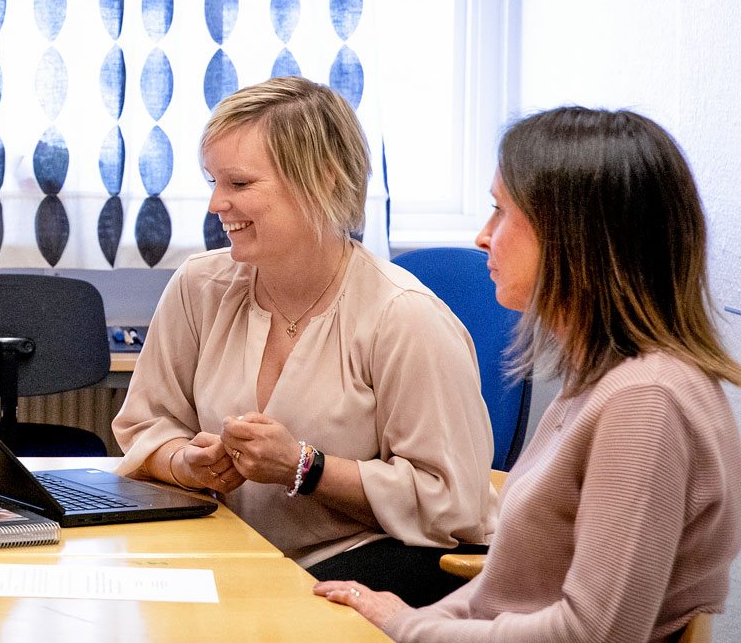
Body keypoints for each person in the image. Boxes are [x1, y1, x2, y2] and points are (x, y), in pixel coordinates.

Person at [317, 107, 741, 640]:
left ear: (576, 235)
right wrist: (413, 620)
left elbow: (594, 634)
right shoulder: (603, 380)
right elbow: (511, 581)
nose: (481, 236)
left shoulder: (646, 402)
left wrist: (413, 632)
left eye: (500, 212)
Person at [113, 77, 495, 605]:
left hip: (362, 570)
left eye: (240, 184)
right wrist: (184, 462)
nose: (216, 204)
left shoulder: (404, 318)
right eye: (213, 181)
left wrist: (306, 467)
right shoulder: (198, 286)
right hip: (230, 554)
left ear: (322, 181)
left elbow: (453, 506)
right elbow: (146, 424)